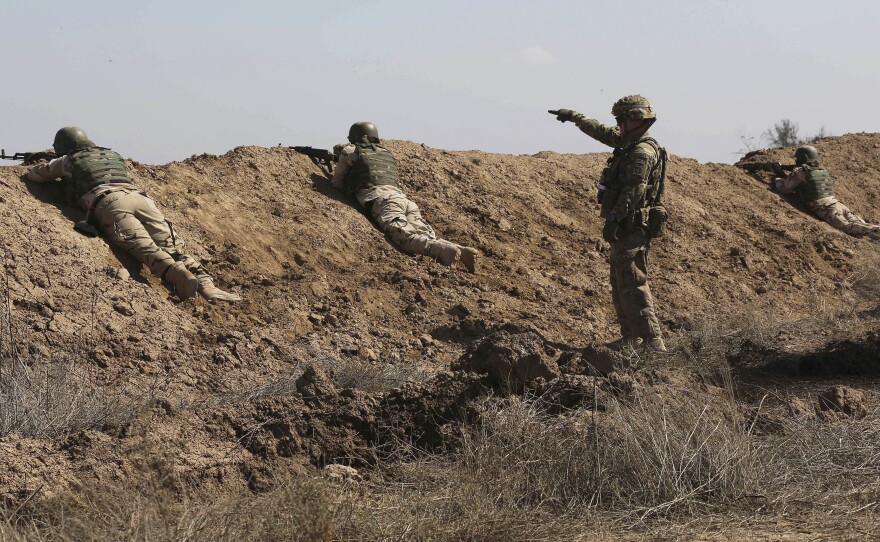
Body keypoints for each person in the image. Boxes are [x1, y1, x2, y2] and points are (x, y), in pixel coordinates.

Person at [23, 127, 240, 302]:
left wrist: (40, 161)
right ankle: (207, 285)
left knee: (143, 245)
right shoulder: (111, 154)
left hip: (110, 202)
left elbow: (36, 176)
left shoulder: (67, 160)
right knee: (173, 243)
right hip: (141, 199)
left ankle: (176, 275)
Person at [549, 95, 668, 351]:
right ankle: (631, 339)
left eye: (621, 119)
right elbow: (602, 132)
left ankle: (652, 344)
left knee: (633, 284)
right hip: (625, 225)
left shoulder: (641, 151)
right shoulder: (630, 142)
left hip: (632, 225)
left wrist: (615, 218)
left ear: (634, 118)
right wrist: (574, 117)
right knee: (620, 283)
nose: (617, 124)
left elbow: (634, 189)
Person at [330, 122, 479, 272]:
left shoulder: (350, 150)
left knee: (405, 237)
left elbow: (337, 183)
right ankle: (462, 250)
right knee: (423, 234)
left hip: (383, 201)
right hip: (404, 200)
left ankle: (443, 250)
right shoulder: (385, 153)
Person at [773, 145, 880, 239]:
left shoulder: (801, 171)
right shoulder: (821, 170)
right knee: (861, 223)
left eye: (798, 159)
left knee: (848, 228)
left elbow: (784, 189)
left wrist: (778, 178)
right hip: (837, 204)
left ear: (803, 158)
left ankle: (875, 231)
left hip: (825, 208)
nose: (796, 161)